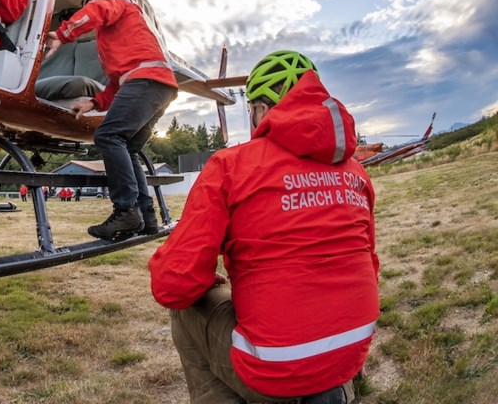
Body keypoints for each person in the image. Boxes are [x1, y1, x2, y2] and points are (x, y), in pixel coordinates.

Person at [148, 51, 379, 404]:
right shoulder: (356, 173)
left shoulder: (231, 165)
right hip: (351, 351)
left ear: (262, 108)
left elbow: (173, 285)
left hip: (275, 370)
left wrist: (201, 281)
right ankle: (338, 387)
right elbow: (369, 263)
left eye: (252, 109)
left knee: (185, 309)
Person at [43, 0, 178, 241]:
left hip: (146, 82)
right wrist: (94, 103)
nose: (89, 15)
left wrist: (63, 34)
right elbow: (117, 84)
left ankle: (126, 211)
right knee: (127, 147)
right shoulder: (118, 39)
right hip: (158, 87)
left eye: (88, 7)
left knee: (108, 136)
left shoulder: (116, 6)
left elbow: (97, 11)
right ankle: (146, 217)